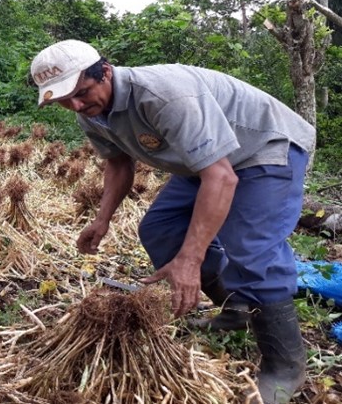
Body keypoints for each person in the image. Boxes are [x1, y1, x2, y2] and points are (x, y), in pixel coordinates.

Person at [31, 40, 315, 404]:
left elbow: (222, 177)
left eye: (82, 93)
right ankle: (237, 309)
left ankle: (285, 367)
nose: (76, 106)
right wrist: (102, 220)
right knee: (159, 228)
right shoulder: (89, 111)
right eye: (64, 101)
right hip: (205, 161)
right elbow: (118, 164)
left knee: (252, 247)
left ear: (105, 70)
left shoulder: (163, 95)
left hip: (264, 147)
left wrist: (191, 259)